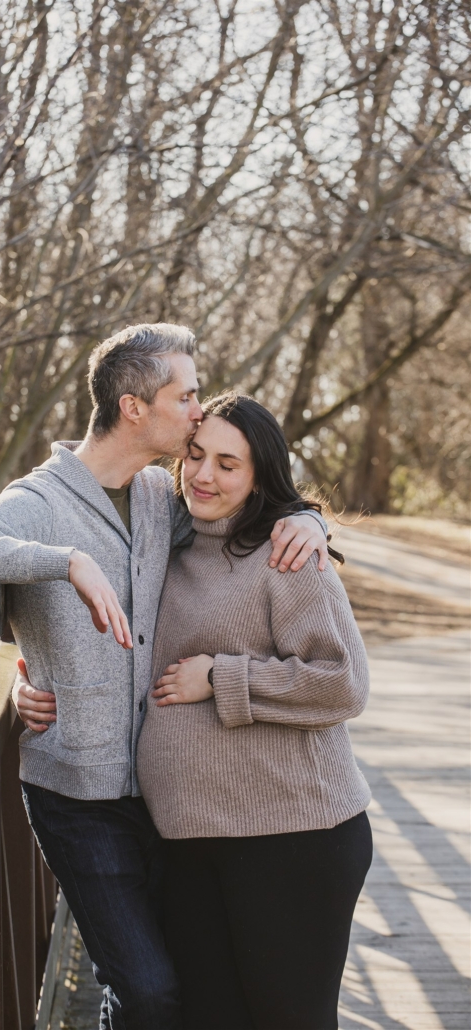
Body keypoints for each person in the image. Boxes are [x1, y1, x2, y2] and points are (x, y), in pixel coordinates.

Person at [0, 324, 328, 1030]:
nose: (199, 412)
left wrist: (311, 523)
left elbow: (238, 509)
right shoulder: (42, 501)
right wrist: (63, 562)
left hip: (165, 790)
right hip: (78, 794)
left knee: (184, 985)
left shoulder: (153, 496)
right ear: (135, 407)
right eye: (187, 395)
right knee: (146, 991)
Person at [136, 391, 372, 1030]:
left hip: (291, 837)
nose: (204, 475)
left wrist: (222, 678)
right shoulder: (166, 537)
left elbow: (342, 684)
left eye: (228, 464)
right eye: (195, 455)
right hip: (190, 840)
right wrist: (28, 683)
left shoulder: (287, 556)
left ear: (260, 475)